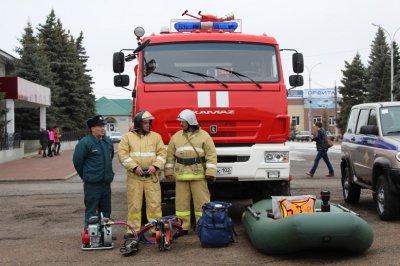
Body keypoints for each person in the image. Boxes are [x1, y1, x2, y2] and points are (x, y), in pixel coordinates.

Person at [164, 109, 217, 234]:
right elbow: (170, 156)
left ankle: (203, 225)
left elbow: (211, 155)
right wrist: (168, 171)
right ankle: (183, 227)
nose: (181, 124)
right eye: (181, 121)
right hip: (181, 176)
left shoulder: (204, 136)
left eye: (183, 121)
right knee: (181, 204)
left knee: (202, 203)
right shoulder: (176, 137)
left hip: (198, 176)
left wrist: (210, 173)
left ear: (190, 121)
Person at [118, 110, 166, 239]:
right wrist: (134, 167)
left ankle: (155, 228)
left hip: (151, 177)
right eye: (145, 123)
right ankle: (133, 229)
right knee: (134, 204)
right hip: (135, 177)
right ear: (138, 123)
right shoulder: (127, 137)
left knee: (154, 204)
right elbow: (122, 155)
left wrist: (155, 166)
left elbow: (162, 154)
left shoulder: (156, 137)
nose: (148, 125)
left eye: (149, 123)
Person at [73, 115, 115, 229]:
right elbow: (78, 162)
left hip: (106, 182)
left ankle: (105, 233)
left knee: (106, 210)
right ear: (92, 128)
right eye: (99, 126)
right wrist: (87, 176)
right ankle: (90, 234)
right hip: (92, 184)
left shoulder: (107, 142)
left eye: (103, 126)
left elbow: (110, 158)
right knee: (91, 210)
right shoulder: (85, 143)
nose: (102, 128)